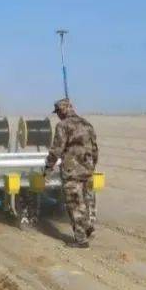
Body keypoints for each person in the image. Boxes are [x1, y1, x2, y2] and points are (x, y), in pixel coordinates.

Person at [44, 98, 98, 248]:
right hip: (87, 169)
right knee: (85, 201)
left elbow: (56, 150)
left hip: (71, 171)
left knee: (75, 204)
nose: (58, 116)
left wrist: (48, 168)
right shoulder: (87, 124)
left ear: (62, 111)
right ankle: (87, 227)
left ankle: (81, 240)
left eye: (58, 113)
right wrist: (91, 166)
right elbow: (94, 149)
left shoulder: (63, 126)